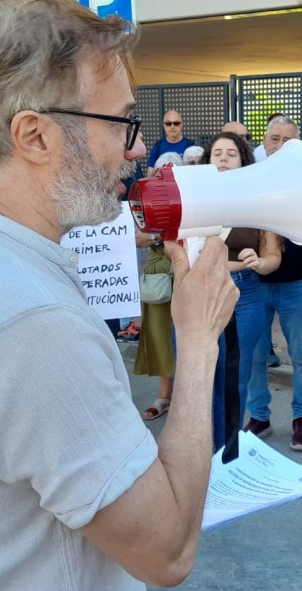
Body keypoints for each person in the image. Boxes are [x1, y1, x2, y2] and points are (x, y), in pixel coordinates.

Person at [0, 0, 239, 590]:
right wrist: (197, 342)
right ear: (35, 136)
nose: (136, 149)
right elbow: (167, 553)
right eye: (121, 122)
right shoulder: (28, 319)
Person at [201, 132, 281, 449]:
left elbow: (273, 256)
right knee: (200, 374)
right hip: (202, 292)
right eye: (217, 153)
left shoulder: (259, 204)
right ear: (207, 161)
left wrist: (259, 263)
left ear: (244, 161)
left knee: (235, 375)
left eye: (231, 153)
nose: (222, 158)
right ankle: (200, 449)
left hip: (245, 295)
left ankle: (227, 451)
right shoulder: (195, 199)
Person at [246, 141, 302, 451]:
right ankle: (259, 416)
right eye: (274, 139)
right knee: (254, 357)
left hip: (296, 284)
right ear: (265, 143)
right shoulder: (251, 183)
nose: (279, 147)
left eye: (287, 140)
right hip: (255, 284)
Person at [134, 151, 183, 421]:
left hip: (187, 272)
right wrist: (161, 233)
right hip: (159, 275)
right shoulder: (146, 200)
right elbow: (136, 238)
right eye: (164, 169)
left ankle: (189, 397)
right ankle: (164, 396)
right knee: (161, 334)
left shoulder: (192, 196)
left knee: (190, 337)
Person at [146, 110, 193, 176]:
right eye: (168, 123)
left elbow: (195, 173)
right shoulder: (158, 146)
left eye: (176, 123)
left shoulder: (190, 146)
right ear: (163, 125)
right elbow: (150, 175)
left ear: (182, 125)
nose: (172, 127)